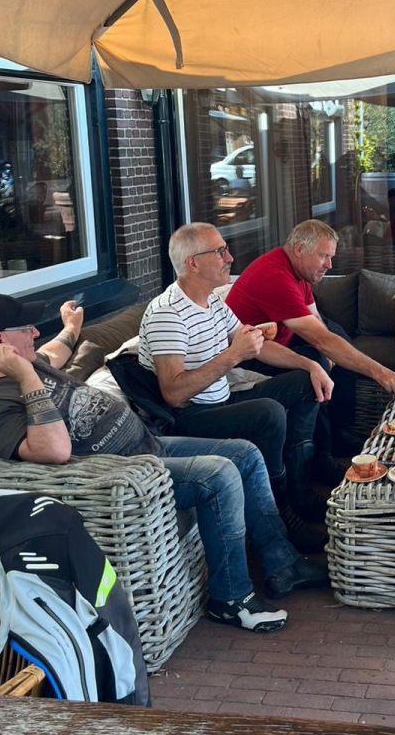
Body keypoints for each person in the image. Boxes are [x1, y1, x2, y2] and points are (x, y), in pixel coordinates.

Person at [0, 293, 329, 632]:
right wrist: (25, 377)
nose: (35, 333)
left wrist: (71, 329)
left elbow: (57, 350)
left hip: (146, 446)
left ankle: (283, 564)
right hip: (127, 476)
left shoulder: (28, 361)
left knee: (245, 453)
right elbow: (54, 451)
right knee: (220, 474)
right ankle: (231, 599)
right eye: (25, 328)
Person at [138, 223, 336, 529]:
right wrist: (233, 355)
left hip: (222, 398)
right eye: (220, 252)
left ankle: (301, 485)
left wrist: (310, 365)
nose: (230, 258)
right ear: (193, 263)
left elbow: (258, 346)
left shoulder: (213, 301)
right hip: (191, 415)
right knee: (269, 412)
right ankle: (282, 509)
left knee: (304, 381)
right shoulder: (167, 313)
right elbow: (174, 394)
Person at [225, 219, 395, 449]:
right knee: (318, 359)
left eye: (331, 257)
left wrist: (330, 346)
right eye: (323, 256)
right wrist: (381, 373)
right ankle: (321, 455)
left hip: (280, 341)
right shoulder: (274, 275)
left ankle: (340, 432)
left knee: (337, 336)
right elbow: (321, 340)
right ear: (300, 249)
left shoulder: (298, 271)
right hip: (250, 357)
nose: (329, 265)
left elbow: (317, 321)